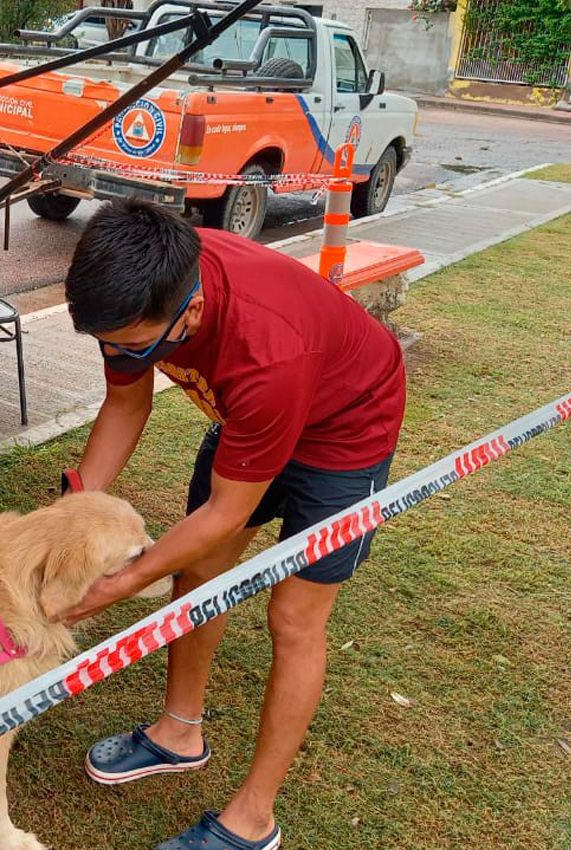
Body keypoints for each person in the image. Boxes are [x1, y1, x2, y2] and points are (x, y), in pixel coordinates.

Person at [57, 200, 406, 850]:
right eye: (106, 343)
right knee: (197, 573)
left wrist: (119, 584)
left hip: (345, 430)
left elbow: (227, 512)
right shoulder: (143, 291)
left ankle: (253, 820)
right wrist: (69, 517)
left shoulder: (265, 353)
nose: (118, 356)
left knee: (294, 619)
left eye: (131, 346)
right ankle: (178, 732)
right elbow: (125, 403)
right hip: (254, 418)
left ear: (190, 312)